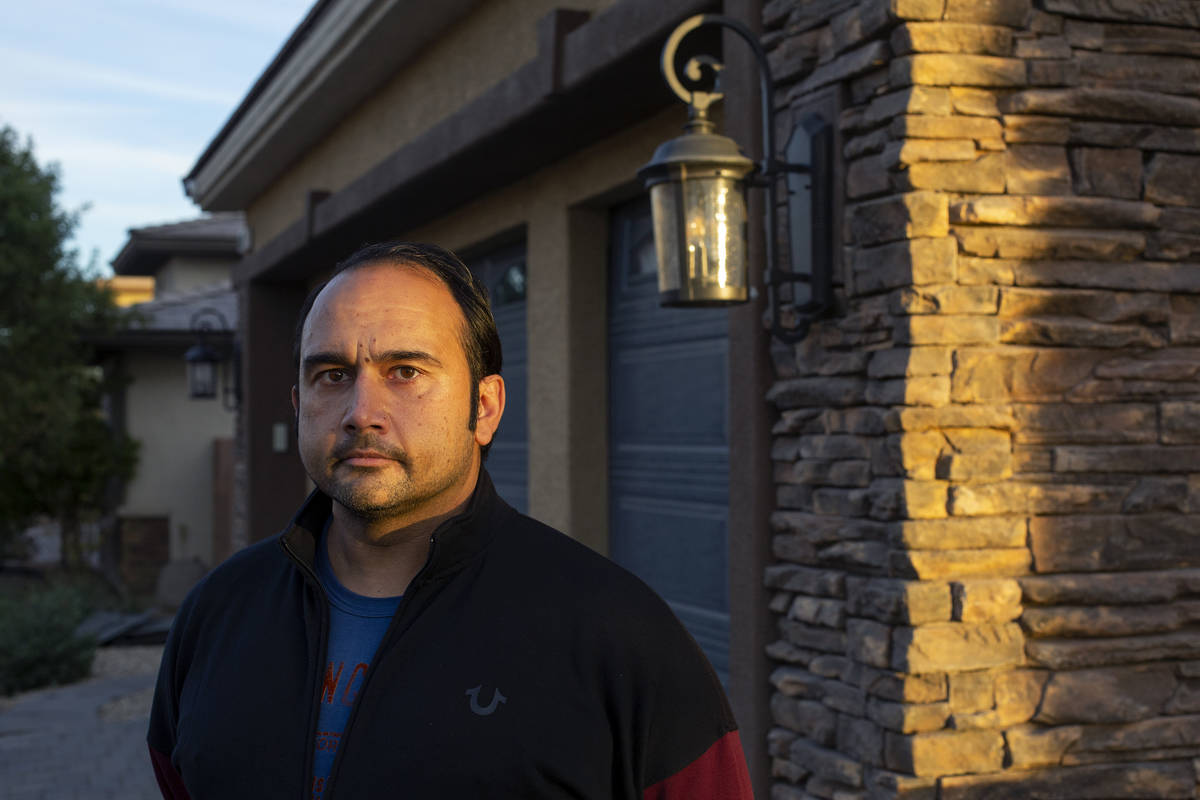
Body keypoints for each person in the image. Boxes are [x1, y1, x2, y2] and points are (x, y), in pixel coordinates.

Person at [148, 242, 753, 799]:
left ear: (484, 407)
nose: (362, 412)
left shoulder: (619, 637)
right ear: (299, 404)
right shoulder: (216, 615)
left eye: (405, 371)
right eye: (332, 375)